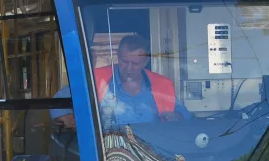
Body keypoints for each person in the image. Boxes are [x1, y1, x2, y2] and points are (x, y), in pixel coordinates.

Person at [50, 33, 190, 129]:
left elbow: (186, 117)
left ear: (146, 61)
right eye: (124, 61)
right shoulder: (97, 78)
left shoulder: (162, 84)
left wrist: (177, 117)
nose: (128, 68)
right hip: (108, 155)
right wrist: (69, 119)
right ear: (117, 56)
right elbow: (58, 102)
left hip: (155, 154)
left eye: (135, 63)